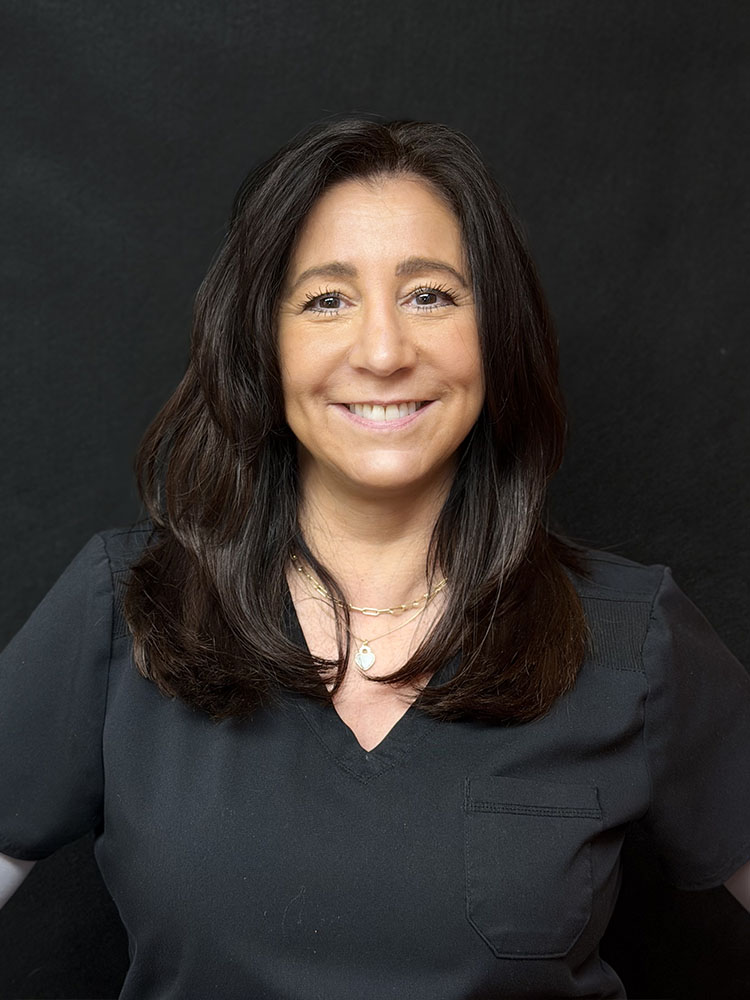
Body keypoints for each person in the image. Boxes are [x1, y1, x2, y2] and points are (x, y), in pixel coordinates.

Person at [1, 116, 749, 999]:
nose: (385, 352)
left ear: (496, 333)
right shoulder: (128, 607)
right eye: (327, 300)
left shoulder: (632, 635)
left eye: (431, 295)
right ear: (262, 343)